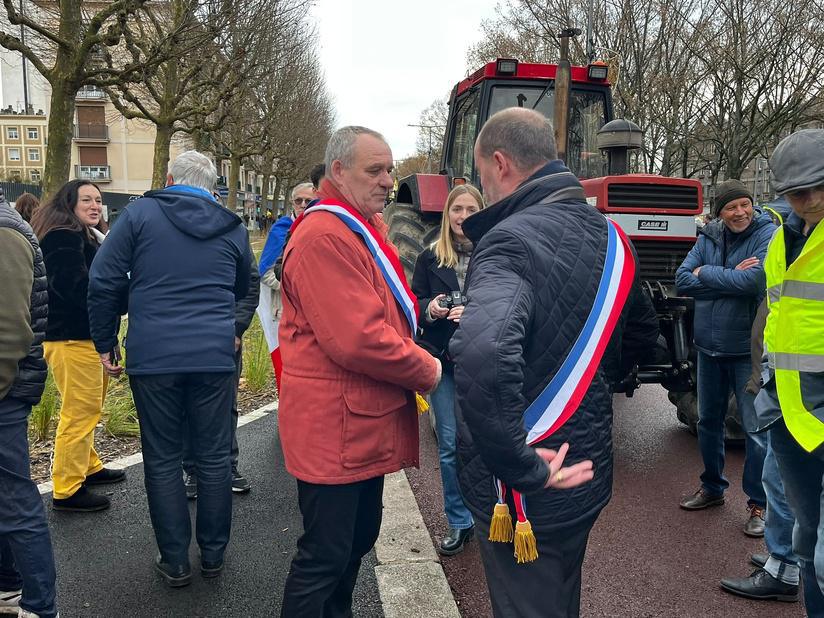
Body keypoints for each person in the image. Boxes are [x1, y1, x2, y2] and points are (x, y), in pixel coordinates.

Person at [450, 108, 657, 617]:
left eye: (481, 175)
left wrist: (519, 464)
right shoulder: (615, 240)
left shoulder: (507, 240)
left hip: (526, 481)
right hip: (586, 465)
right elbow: (644, 336)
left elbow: (482, 355)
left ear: (500, 164)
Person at [278, 126, 441, 617]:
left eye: (390, 169)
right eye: (376, 170)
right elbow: (358, 339)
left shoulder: (356, 226)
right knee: (326, 555)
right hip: (337, 427)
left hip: (352, 423)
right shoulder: (327, 235)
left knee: (351, 544)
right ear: (338, 171)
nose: (389, 180)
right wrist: (428, 369)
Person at [87, 150, 252, 587]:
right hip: (214, 357)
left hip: (154, 355)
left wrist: (105, 342)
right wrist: (233, 326)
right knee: (215, 456)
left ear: (168, 177)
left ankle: (175, 561)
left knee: (161, 459)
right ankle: (214, 555)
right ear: (212, 184)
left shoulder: (139, 215)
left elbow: (104, 279)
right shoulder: (231, 224)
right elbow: (247, 283)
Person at [675, 179, 774, 536]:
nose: (740, 212)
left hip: (745, 351)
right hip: (708, 347)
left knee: (755, 430)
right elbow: (683, 279)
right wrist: (730, 275)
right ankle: (713, 487)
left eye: (745, 205)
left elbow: (754, 282)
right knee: (707, 421)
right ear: (720, 212)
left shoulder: (767, 234)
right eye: (732, 207)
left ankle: (758, 505)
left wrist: (709, 274)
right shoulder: (708, 237)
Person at [753, 129, 824, 614]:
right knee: (805, 539)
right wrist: (764, 381)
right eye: (799, 192)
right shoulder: (782, 239)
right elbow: (777, 315)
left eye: (820, 187)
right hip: (789, 414)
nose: (811, 200)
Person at [30, 180, 126, 513]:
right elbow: (76, 287)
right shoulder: (62, 236)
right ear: (69, 203)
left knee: (88, 408)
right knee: (80, 413)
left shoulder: (83, 235)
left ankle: (88, 466)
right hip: (72, 338)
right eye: (86, 199)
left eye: (98, 200)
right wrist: (118, 293)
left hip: (85, 338)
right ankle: (67, 489)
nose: (95, 205)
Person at [411, 184, 485, 555]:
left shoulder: (494, 256)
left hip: (482, 360)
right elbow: (416, 300)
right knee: (450, 444)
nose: (463, 217)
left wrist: (475, 313)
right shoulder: (429, 257)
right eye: (457, 209)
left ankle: (491, 513)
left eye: (471, 209)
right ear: (447, 214)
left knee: (487, 441)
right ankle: (458, 520)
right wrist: (432, 307)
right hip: (442, 359)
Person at [719, 295, 799, 602]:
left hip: (798, 389)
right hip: (784, 382)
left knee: (782, 482)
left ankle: (784, 569)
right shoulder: (787, 249)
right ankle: (787, 558)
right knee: (777, 477)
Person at [0, 188, 57, 618]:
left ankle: (38, 605)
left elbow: (11, 336)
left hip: (4, 390)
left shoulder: (4, 233)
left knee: (16, 499)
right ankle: (9, 587)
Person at [182, 250, 260, 499]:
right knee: (187, 405)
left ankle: (228, 466)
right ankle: (193, 469)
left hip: (225, 338)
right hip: (182, 337)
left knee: (227, 405)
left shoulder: (230, 229)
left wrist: (237, 328)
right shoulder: (168, 229)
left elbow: (250, 281)